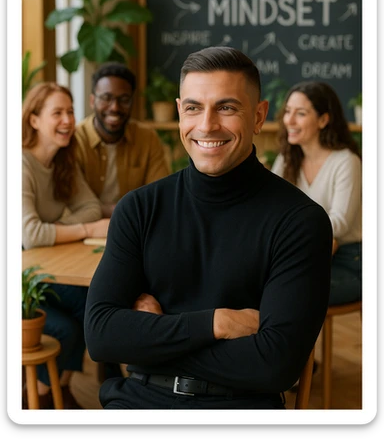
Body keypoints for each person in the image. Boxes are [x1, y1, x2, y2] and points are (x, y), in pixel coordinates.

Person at [84, 46, 333, 410]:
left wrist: (156, 337)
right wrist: (215, 324)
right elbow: (101, 336)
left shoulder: (299, 222)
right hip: (137, 402)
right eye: (193, 108)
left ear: (259, 116)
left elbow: (274, 367)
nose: (206, 125)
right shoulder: (139, 208)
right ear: (180, 110)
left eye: (227, 107)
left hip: (238, 408)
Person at [22, 82, 110, 409]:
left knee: (94, 304)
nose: (68, 120)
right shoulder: (20, 164)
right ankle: (43, 398)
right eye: (57, 112)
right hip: (22, 282)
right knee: (67, 328)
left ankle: (60, 389)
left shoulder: (63, 161)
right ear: (33, 120)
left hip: (47, 272)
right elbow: (31, 234)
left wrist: (56, 227)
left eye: (70, 112)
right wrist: (86, 228)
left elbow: (92, 205)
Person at [271, 80, 362, 306]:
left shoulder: (346, 161)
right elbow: (269, 208)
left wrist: (290, 233)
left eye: (300, 113)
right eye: (288, 112)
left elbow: (339, 222)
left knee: (290, 295)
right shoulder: (287, 159)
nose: (289, 121)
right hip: (301, 255)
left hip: (349, 261)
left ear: (323, 120)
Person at [75, 61, 171, 218]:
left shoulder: (147, 139)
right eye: (106, 98)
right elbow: (73, 203)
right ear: (92, 101)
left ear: (132, 102)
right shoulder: (76, 140)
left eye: (124, 99)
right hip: (86, 229)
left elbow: (160, 196)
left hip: (135, 229)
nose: (115, 107)